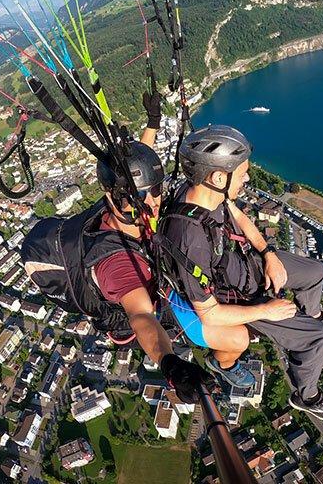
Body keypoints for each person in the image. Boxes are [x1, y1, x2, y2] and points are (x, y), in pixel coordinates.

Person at [21, 96, 252, 401]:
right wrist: (170, 365)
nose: (154, 202)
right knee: (239, 335)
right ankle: (224, 362)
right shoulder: (117, 263)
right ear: (117, 198)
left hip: (153, 270)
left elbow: (141, 166)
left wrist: (153, 123)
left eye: (156, 191)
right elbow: (142, 316)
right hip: (145, 308)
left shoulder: (124, 203)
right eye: (142, 197)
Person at [158, 124, 323, 421]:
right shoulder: (188, 239)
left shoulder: (204, 190)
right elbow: (210, 315)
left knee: (315, 271)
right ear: (219, 176)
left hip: (247, 266)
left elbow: (239, 217)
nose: (247, 177)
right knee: (316, 338)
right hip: (236, 297)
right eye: (243, 172)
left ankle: (311, 315)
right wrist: (266, 310)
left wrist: (268, 253)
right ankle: (307, 395)